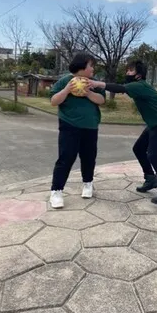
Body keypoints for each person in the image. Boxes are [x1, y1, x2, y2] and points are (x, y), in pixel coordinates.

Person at [91, 60, 157, 205]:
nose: (127, 73)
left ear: (138, 75)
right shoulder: (138, 86)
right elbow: (123, 88)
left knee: (153, 155)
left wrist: (98, 84)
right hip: (154, 125)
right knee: (138, 149)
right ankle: (150, 179)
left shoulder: (140, 85)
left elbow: (119, 88)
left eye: (130, 71)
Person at [49, 52, 105, 209]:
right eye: (91, 66)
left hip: (91, 126)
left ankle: (88, 184)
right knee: (66, 158)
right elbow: (54, 101)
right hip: (69, 126)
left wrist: (88, 92)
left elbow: (101, 100)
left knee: (89, 157)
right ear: (81, 67)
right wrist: (67, 89)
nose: (93, 69)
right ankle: (56, 191)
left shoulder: (94, 83)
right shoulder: (64, 81)